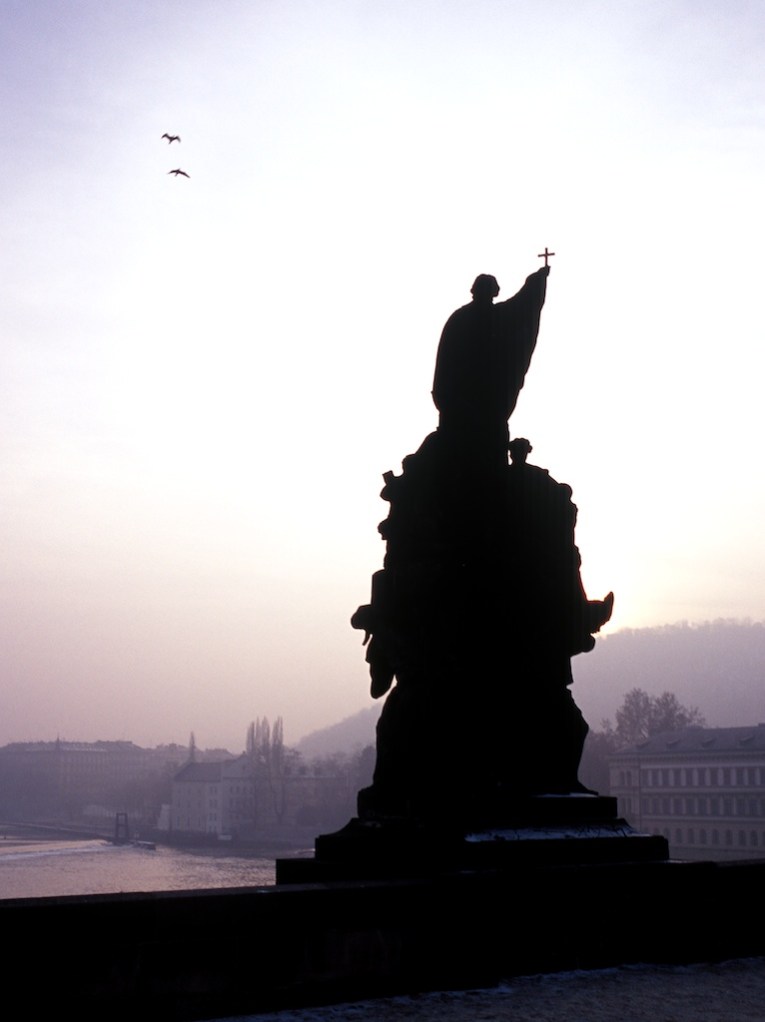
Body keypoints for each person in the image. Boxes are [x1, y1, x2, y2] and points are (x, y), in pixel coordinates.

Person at [432, 266, 549, 459]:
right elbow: (446, 358)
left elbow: (521, 305)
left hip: (489, 395)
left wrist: (536, 281)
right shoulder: (461, 319)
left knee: (488, 443)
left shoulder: (495, 316)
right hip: (463, 394)